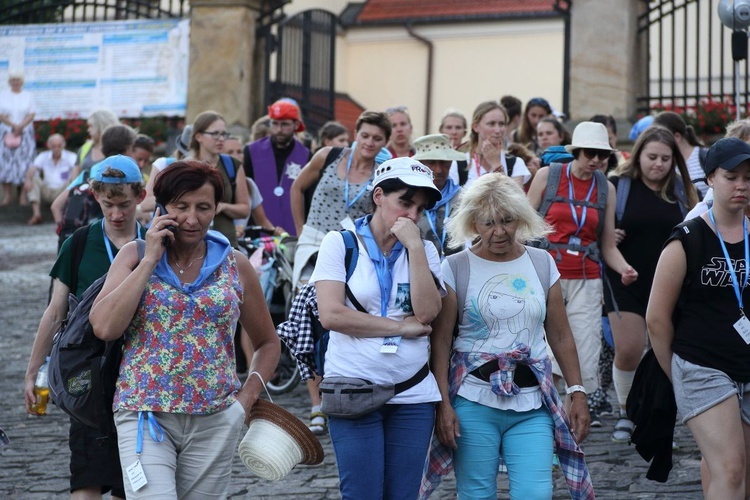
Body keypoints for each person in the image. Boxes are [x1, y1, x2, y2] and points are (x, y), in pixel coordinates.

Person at [89, 160, 280, 499]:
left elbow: (267, 342)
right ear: (162, 207)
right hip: (145, 414)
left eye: (203, 207)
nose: (192, 219)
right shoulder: (134, 255)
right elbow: (104, 326)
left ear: (216, 209)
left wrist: (245, 401)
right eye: (181, 207)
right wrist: (150, 260)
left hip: (215, 418)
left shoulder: (235, 264)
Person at [422, 173, 593, 500]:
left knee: (536, 493)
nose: (498, 231)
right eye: (487, 223)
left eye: (507, 220)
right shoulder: (455, 267)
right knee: (476, 494)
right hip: (473, 401)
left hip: (533, 402)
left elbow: (560, 334)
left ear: (522, 219)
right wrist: (443, 405)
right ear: (472, 222)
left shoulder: (542, 263)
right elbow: (440, 342)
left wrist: (577, 391)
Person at [313, 156, 444, 499]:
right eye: (405, 202)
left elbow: (428, 313)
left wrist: (414, 247)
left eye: (420, 207)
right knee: (362, 493)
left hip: (413, 392)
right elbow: (332, 315)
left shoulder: (426, 250)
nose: (412, 215)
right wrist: (400, 327)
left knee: (403, 495)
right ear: (378, 196)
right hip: (354, 387)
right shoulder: (340, 243)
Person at [24, 154, 146, 500]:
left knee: (132, 483)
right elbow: (54, 313)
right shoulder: (78, 243)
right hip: (88, 377)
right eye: (108, 204)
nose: (117, 213)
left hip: (140, 374)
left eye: (124, 204)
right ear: (95, 196)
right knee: (86, 478)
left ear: (141, 194)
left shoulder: (155, 244)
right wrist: (33, 372)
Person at [647, 137, 750, 499]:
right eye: (731, 176)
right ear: (709, 179)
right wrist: (676, 371)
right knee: (731, 466)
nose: (741, 185)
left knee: (742, 472)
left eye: (748, 178)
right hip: (702, 365)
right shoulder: (687, 238)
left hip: (746, 365)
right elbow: (656, 318)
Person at [526, 121, 638, 426]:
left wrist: (624, 268)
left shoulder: (606, 188)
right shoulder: (548, 177)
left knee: (583, 355)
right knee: (545, 357)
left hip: (587, 281)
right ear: (576, 152)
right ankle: (537, 426)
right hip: (546, 277)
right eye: (591, 153)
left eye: (603, 155)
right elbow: (523, 226)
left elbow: (606, 245)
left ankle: (562, 429)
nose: (597, 160)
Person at [289, 110, 391, 434]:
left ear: (384, 142)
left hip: (350, 246)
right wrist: (301, 230)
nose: (370, 142)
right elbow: (297, 188)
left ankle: (337, 386)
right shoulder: (328, 155)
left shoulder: (382, 172)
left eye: (377, 138)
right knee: (308, 311)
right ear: (355, 134)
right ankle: (316, 402)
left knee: (339, 316)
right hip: (316, 238)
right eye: (366, 135)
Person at [605, 126, 698, 443]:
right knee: (629, 349)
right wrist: (612, 237)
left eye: (665, 158)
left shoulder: (682, 192)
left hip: (670, 284)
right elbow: (601, 233)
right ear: (638, 156)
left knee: (664, 352)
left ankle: (658, 416)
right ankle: (625, 411)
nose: (657, 164)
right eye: (651, 157)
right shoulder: (618, 185)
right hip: (625, 278)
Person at [244, 99, 312, 236]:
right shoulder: (252, 151)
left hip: (293, 231)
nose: (279, 130)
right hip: (258, 231)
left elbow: (309, 198)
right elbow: (246, 192)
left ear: (296, 125)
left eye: (285, 124)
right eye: (275, 124)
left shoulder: (306, 156)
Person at [188, 110, 250, 247]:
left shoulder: (232, 165)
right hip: (191, 243)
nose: (221, 139)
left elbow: (245, 209)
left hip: (225, 242)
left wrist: (224, 207)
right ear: (199, 136)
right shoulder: (185, 166)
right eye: (215, 134)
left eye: (223, 134)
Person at [413, 134, 466, 258]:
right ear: (420, 164)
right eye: (431, 162)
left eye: (444, 163)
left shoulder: (463, 199)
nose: (438, 170)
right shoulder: (409, 199)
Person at [466, 100, 532, 188]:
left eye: (501, 124)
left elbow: (514, 200)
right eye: (491, 124)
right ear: (476, 127)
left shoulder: (515, 163)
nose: (497, 130)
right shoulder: (459, 164)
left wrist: (496, 165)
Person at [23, 133, 76, 225]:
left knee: (72, 181)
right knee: (34, 179)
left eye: (59, 146)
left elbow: (76, 170)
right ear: (49, 146)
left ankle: (66, 215)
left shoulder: (71, 156)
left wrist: (71, 179)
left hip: (62, 191)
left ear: (63, 145)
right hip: (47, 190)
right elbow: (33, 169)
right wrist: (28, 179)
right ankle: (37, 214)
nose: (56, 149)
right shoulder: (43, 156)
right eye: (54, 146)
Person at [0, 70, 36, 205]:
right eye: (13, 80)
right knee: (6, 164)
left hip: (25, 133)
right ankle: (7, 196)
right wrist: (13, 125)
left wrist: (20, 126)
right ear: (9, 82)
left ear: (22, 82)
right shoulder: (3, 95)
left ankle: (23, 196)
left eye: (18, 80)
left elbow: (31, 114)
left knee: (24, 163)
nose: (15, 82)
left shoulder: (28, 95)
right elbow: (1, 114)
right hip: (6, 133)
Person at [653, 111, 709, 196]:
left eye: (663, 136)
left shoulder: (705, 156)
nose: (658, 141)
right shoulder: (665, 162)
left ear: (677, 136)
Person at [70, 109, 120, 179]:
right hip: (83, 189)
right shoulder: (85, 148)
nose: (88, 130)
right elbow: (74, 180)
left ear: (101, 126)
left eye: (91, 126)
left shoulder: (119, 148)